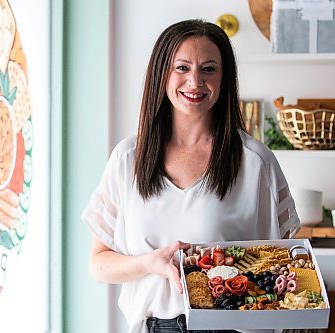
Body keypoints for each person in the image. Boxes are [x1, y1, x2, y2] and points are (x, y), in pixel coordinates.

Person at [81, 19, 300, 333]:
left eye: (209, 69)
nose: (195, 81)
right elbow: (98, 264)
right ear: (162, 74)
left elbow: (283, 268)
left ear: (224, 78)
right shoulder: (128, 158)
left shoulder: (256, 163)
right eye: (182, 68)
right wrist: (148, 263)